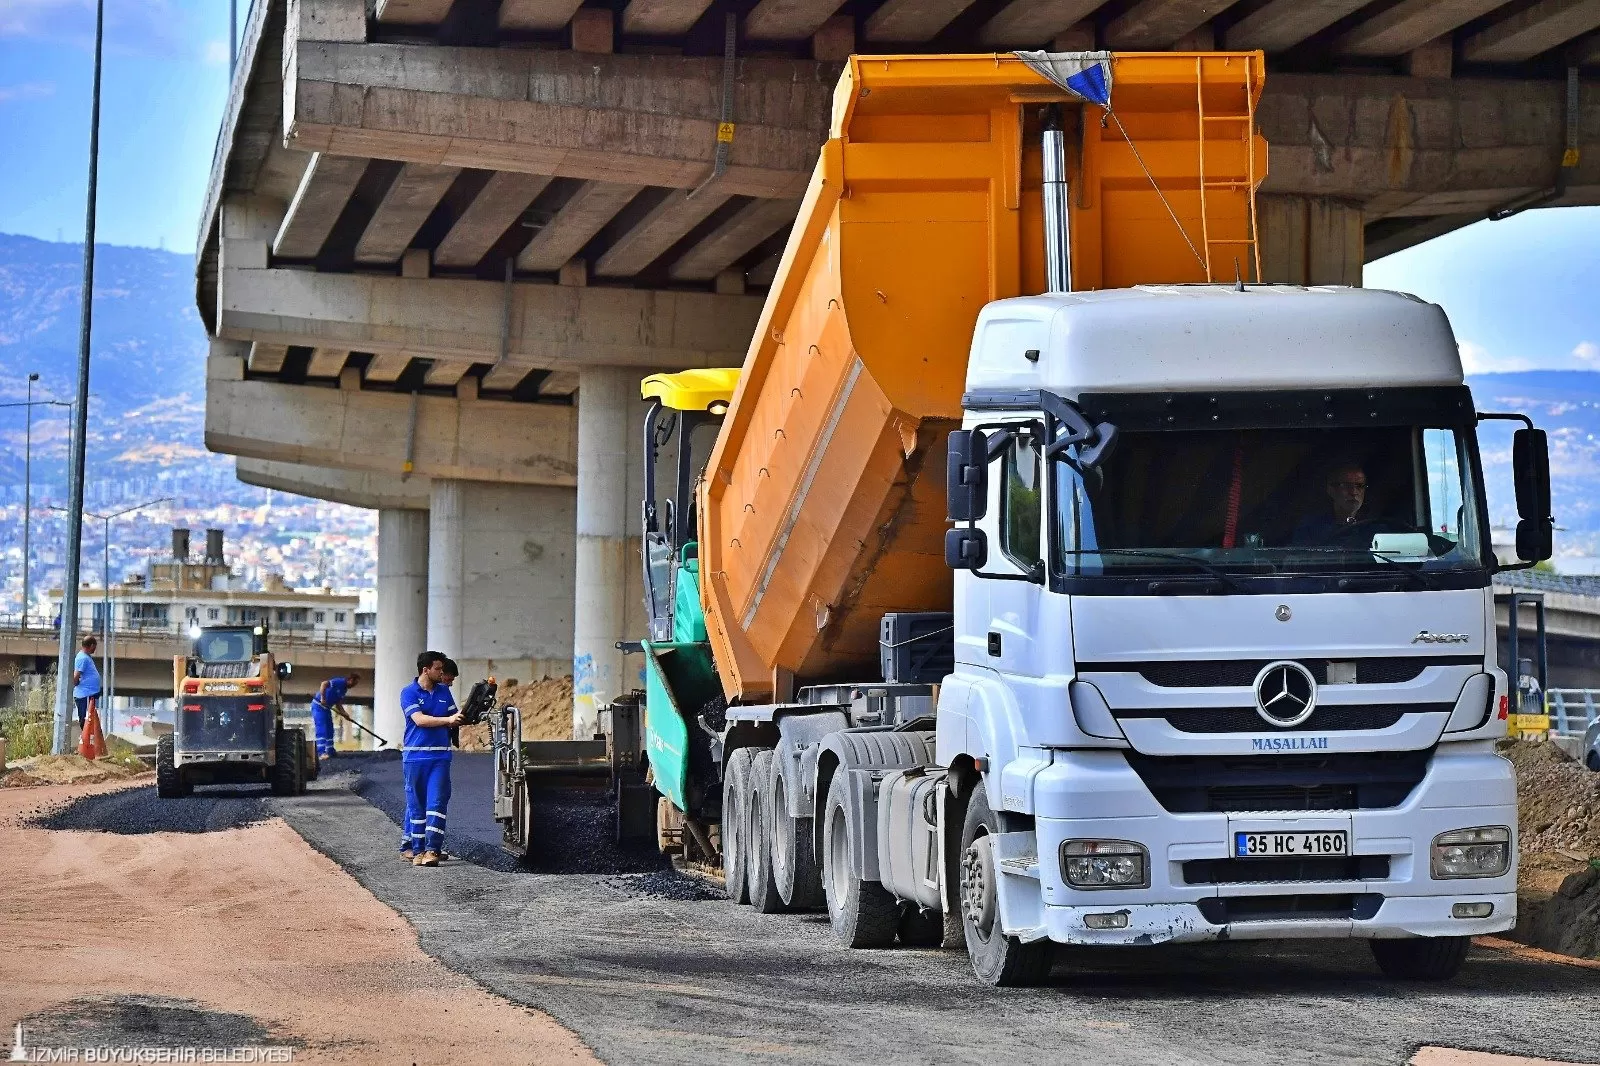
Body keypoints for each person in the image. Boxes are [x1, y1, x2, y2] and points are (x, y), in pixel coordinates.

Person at [400, 650, 462, 867]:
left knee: (436, 803)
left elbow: (456, 718)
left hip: (440, 757)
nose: (442, 672)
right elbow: (419, 720)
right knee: (416, 806)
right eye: (438, 669)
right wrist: (449, 720)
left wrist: (470, 714)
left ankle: (432, 850)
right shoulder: (408, 692)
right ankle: (416, 850)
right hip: (415, 758)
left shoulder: (444, 692)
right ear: (425, 669)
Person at [1290, 460, 1370, 546]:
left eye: (1360, 486)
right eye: (1346, 486)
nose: (1354, 492)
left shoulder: (1375, 527)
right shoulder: (1310, 528)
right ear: (1331, 490)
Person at [310, 672, 361, 761]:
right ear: (350, 680)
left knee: (330, 729)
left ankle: (330, 750)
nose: (354, 686)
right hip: (318, 706)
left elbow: (338, 704)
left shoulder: (344, 690)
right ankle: (321, 753)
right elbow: (324, 684)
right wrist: (323, 698)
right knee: (322, 729)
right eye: (354, 683)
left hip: (327, 708)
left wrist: (345, 714)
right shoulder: (339, 682)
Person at [72, 635, 102, 730]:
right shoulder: (82, 658)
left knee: (90, 718)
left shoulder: (86, 656)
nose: (95, 649)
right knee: (85, 718)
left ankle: (88, 738)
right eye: (95, 647)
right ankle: (86, 739)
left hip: (88, 693)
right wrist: (76, 683)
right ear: (92, 645)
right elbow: (76, 675)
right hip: (85, 694)